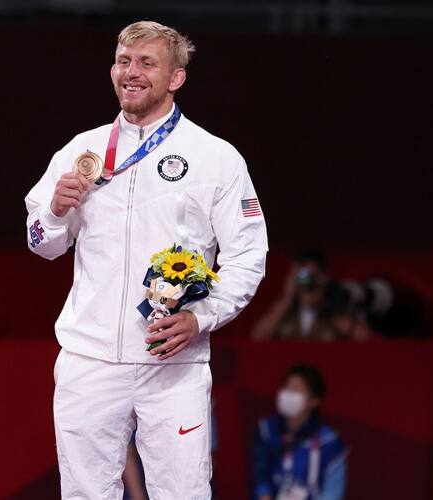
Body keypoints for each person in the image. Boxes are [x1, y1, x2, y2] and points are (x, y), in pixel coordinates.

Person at [25, 20, 268, 498]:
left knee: (183, 493)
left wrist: (202, 317)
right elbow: (41, 243)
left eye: (146, 63)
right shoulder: (82, 151)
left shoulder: (215, 158)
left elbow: (248, 255)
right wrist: (53, 213)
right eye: (123, 61)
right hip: (89, 357)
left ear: (176, 77)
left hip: (172, 361)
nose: (131, 72)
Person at [252, 364, 347, 500]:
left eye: (296, 389)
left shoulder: (329, 441)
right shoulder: (266, 430)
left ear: (314, 400)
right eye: (287, 387)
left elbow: (332, 493)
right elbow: (260, 478)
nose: (288, 394)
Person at [251, 248, 372, 341]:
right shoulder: (285, 311)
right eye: (301, 276)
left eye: (311, 276)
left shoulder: (336, 309)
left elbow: (362, 336)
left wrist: (325, 306)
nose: (306, 281)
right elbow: (258, 336)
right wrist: (287, 298)